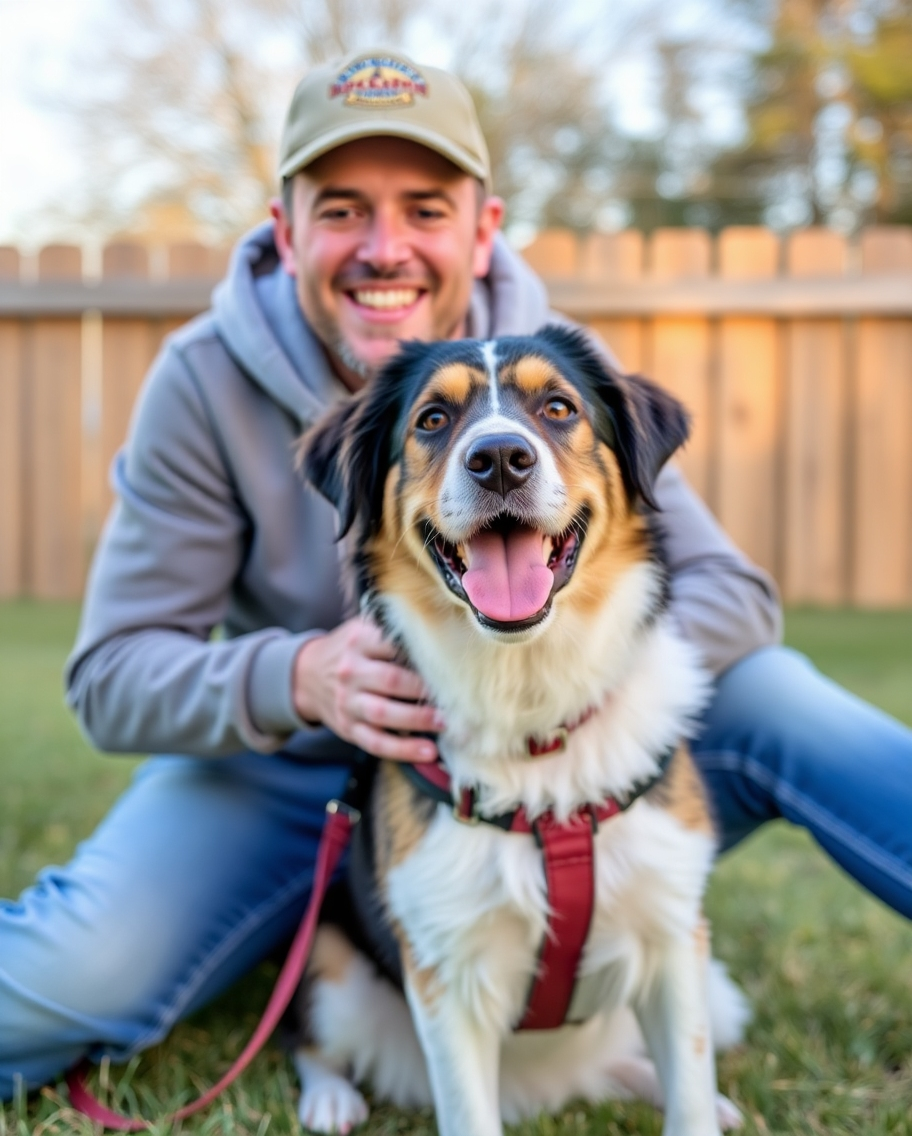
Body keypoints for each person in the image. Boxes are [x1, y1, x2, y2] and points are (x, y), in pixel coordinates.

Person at [1, 47, 910, 1102]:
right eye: (342, 208)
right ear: (283, 224)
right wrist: (296, 677)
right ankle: (302, 964)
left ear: (485, 226)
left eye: (425, 208)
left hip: (558, 740)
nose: (384, 247)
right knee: (55, 977)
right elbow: (111, 673)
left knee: (782, 693)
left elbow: (734, 594)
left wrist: (570, 681)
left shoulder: (556, 378)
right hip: (296, 772)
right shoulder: (201, 381)